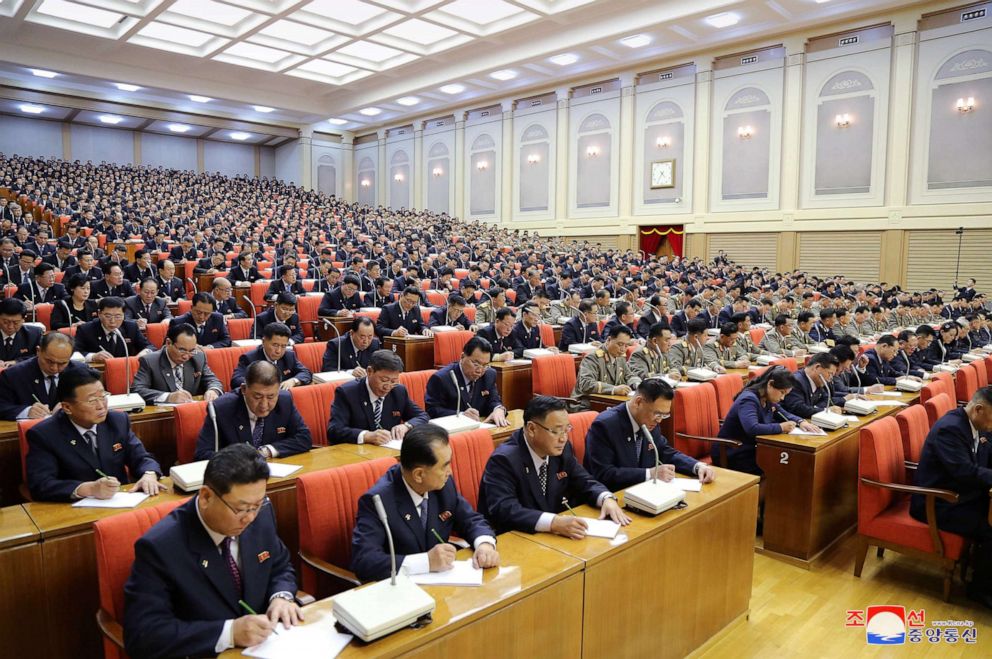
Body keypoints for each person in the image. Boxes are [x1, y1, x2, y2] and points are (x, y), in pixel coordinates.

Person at [123, 444, 302, 658]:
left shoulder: (260, 515)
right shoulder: (160, 547)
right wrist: (229, 633)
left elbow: (280, 566)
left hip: (266, 646)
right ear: (206, 497)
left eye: (256, 505)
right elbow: (145, 636)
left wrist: (280, 597)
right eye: (241, 508)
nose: (250, 517)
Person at [350, 423, 500, 582]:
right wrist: (425, 562)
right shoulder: (378, 501)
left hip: (442, 584)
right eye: (445, 466)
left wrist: (484, 544)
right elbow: (364, 561)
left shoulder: (443, 485)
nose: (450, 472)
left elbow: (470, 519)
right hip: (400, 591)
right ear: (419, 475)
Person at [478, 396, 630, 537]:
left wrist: (606, 498)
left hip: (552, 537)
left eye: (567, 429)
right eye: (556, 431)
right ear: (531, 429)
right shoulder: (504, 460)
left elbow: (583, 480)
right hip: (516, 539)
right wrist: (552, 523)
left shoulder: (562, 449)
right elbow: (505, 509)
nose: (563, 438)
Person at [25, 367, 165, 502]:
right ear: (67, 407)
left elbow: (141, 457)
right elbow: (41, 485)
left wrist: (149, 474)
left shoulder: (117, 420)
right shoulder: (44, 434)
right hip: (74, 510)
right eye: (92, 400)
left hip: (120, 501)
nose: (101, 406)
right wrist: (89, 489)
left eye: (103, 396)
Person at [911, 387, 992, 607]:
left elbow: (986, 453)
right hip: (938, 502)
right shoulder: (951, 430)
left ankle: (983, 569)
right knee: (991, 527)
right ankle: (980, 589)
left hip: (961, 494)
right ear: (979, 409)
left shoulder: (976, 423)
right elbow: (965, 472)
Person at [584, 378, 716, 491]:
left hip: (643, 491)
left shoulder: (650, 421)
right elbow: (603, 474)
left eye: (664, 415)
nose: (659, 420)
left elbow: (664, 451)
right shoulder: (605, 425)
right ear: (638, 402)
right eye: (657, 414)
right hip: (613, 497)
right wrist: (650, 474)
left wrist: (697, 466)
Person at [195, 361, 312, 460]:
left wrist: (266, 451)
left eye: (271, 397)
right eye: (257, 397)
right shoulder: (221, 408)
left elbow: (304, 438)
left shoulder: (284, 401)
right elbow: (203, 454)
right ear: (244, 389)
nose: (264, 404)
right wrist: (243, 459)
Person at [718, 366, 819, 476]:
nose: (782, 398)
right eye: (782, 392)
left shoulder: (766, 397)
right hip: (734, 452)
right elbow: (752, 428)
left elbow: (783, 412)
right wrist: (780, 427)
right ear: (770, 384)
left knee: (788, 466)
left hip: (753, 448)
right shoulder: (749, 399)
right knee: (777, 469)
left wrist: (801, 421)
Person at [327, 349, 429, 445]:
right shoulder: (347, 393)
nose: (388, 386)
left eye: (393, 381)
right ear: (369, 371)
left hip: (389, 450)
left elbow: (422, 416)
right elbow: (334, 430)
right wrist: (367, 436)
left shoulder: (398, 391)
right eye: (384, 380)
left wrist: (406, 426)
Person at [0, 332, 86, 420]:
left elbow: (94, 401)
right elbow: (2, 406)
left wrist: (71, 407)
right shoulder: (13, 375)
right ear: (38, 351)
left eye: (62, 363)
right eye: (49, 361)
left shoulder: (81, 373)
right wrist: (27, 411)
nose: (54, 368)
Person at [132, 323, 224, 405]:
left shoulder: (198, 357)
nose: (186, 356)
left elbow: (213, 380)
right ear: (168, 343)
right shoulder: (150, 361)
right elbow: (137, 390)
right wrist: (168, 397)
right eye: (182, 350)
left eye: (191, 351)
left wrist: (213, 390)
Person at [425, 336, 507, 426]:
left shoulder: (489, 375)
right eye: (475, 364)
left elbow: (494, 400)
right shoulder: (442, 378)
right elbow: (432, 411)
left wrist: (498, 409)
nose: (480, 370)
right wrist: (461, 416)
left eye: (485, 365)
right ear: (462, 357)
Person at [231, 322, 312, 390]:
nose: (279, 351)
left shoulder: (289, 355)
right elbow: (236, 380)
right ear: (263, 341)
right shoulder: (249, 358)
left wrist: (293, 381)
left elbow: (306, 372)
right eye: (275, 345)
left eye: (283, 346)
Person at [75, 296, 152, 363]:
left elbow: (150, 347)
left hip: (124, 370)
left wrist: (141, 355)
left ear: (124, 315)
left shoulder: (131, 327)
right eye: (108, 316)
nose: (113, 321)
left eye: (118, 316)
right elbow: (74, 353)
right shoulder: (85, 329)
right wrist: (93, 356)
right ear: (99, 314)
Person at [572, 324, 633, 400]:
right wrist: (614, 389)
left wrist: (638, 385)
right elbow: (586, 384)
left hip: (609, 401)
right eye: (620, 344)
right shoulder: (593, 358)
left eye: (626, 346)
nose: (623, 349)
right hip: (586, 403)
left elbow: (629, 376)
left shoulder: (620, 357)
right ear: (608, 340)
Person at [782, 352, 842, 418]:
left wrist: (814, 408)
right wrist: (824, 410)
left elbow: (826, 399)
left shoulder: (819, 381)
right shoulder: (796, 381)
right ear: (817, 367)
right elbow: (797, 409)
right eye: (829, 374)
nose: (830, 379)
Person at [627, 322, 682, 387]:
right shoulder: (639, 354)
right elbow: (642, 376)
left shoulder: (663, 350)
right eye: (667, 340)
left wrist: (674, 372)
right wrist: (667, 376)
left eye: (670, 340)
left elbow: (672, 366)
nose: (669, 344)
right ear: (654, 341)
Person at [0, 297, 43, 365]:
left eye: (15, 323)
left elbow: (40, 355)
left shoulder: (34, 334)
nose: (10, 327)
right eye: (5, 322)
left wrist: (17, 362)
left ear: (23, 320)